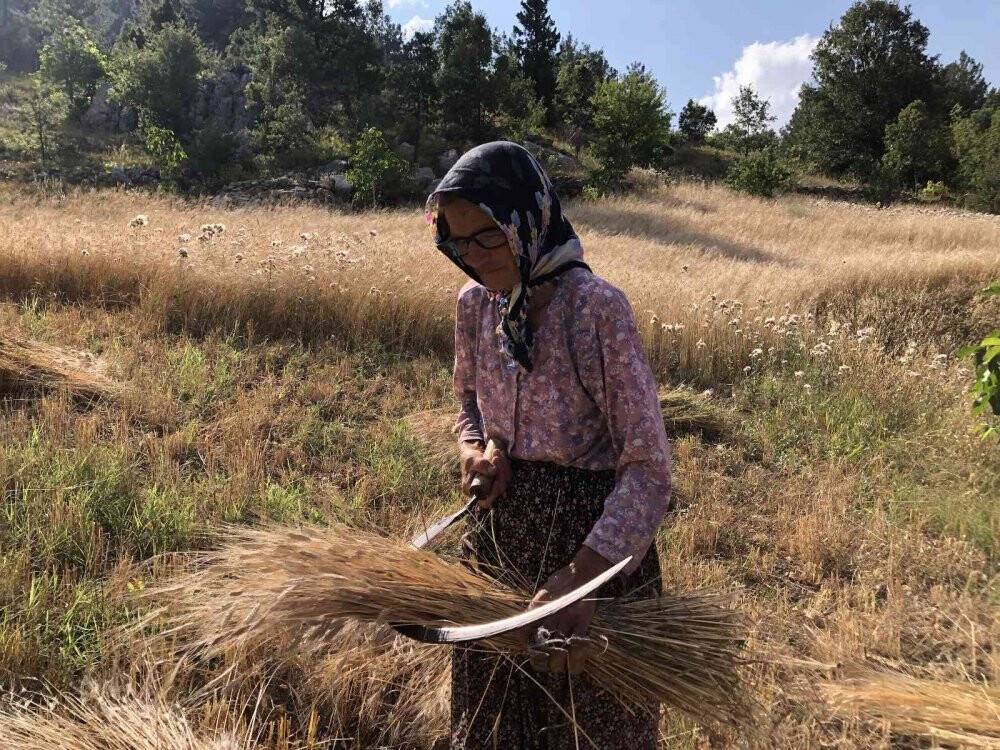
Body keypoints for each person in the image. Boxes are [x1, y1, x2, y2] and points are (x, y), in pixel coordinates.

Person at [426, 141, 672, 749]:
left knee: (590, 726)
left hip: (592, 545)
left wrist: (580, 581)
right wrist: (478, 452)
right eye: (458, 244)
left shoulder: (596, 311)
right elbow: (470, 403)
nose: (475, 259)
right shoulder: (476, 306)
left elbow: (648, 470)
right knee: (494, 722)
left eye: (488, 237)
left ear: (526, 218)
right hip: (503, 537)